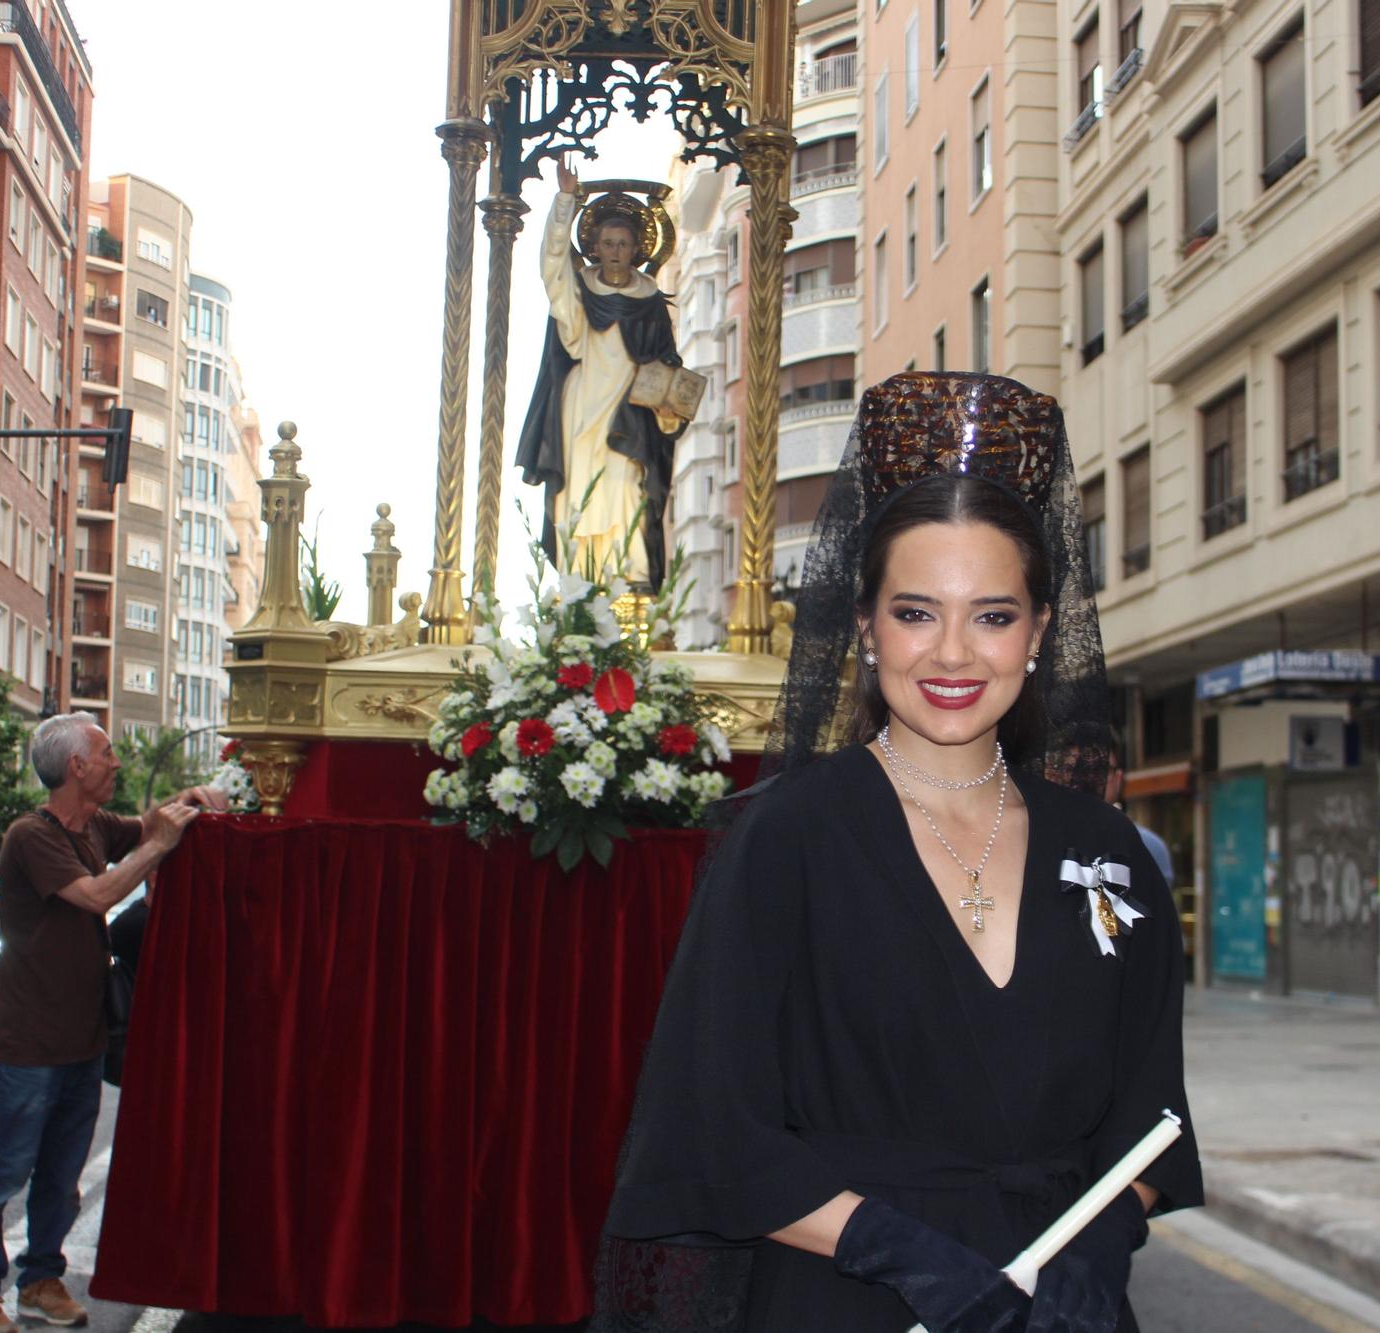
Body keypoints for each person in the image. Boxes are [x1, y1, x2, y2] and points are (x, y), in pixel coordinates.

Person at [591, 373, 1201, 1332]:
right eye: (916, 612)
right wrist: (905, 1255)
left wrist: (1102, 1240)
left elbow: (1151, 1115)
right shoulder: (786, 836)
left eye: (993, 615)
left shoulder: (1108, 846)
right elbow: (713, 1122)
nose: (953, 654)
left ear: (1039, 632)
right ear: (865, 626)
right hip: (849, 1298)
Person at [0, 712, 224, 1333]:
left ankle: (41, 1280)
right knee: (3, 1168)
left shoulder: (95, 825)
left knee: (63, 1174)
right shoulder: (30, 835)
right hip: (31, 1041)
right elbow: (98, 895)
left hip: (82, 1036)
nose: (117, 762)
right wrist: (159, 847)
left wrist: (187, 801)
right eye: (106, 753)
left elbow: (145, 825)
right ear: (76, 766)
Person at [515, 155, 686, 588]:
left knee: (628, 488)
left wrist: (670, 408)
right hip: (582, 406)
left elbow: (668, 366)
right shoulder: (580, 295)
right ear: (594, 247)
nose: (615, 253)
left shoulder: (650, 304)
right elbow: (553, 270)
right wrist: (563, 202)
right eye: (607, 243)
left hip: (631, 415)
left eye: (623, 244)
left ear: (637, 250)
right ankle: (580, 580)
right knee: (579, 494)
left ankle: (631, 578)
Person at [1104, 725, 1174, 890]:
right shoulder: (1042, 840)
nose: (1089, 777)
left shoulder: (1147, 846)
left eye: (1101, 769)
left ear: (1118, 779)